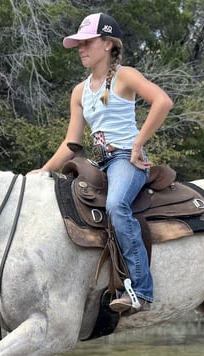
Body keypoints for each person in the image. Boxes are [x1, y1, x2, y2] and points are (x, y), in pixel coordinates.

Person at [31, 13, 173, 314]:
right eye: (79, 44)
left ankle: (141, 291)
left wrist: (138, 144)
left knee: (116, 206)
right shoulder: (79, 92)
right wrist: (43, 171)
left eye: (87, 42)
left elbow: (163, 102)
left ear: (108, 44)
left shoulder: (125, 76)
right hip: (101, 163)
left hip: (126, 159)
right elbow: (71, 143)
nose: (81, 49)